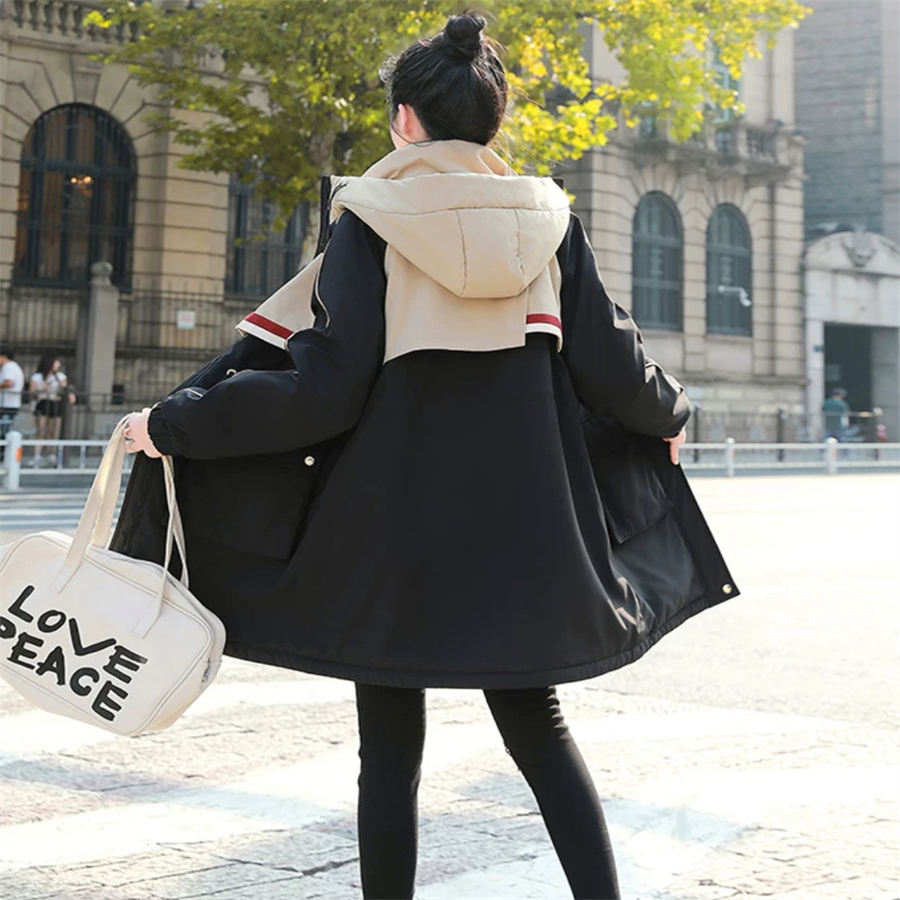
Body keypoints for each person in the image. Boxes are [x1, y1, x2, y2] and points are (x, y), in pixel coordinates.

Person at [120, 16, 729, 900]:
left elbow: (322, 389)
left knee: (389, 749)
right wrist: (672, 412)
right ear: (494, 119)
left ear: (404, 119)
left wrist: (175, 425)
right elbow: (612, 363)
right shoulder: (550, 222)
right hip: (528, 524)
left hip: (389, 523)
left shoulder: (368, 220)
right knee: (540, 730)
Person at [29, 353, 68, 467]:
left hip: (55, 402)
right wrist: (42, 388)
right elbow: (31, 392)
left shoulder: (60, 376)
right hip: (43, 401)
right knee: (41, 430)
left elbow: (65, 389)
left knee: (53, 431)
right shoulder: (37, 377)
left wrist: (61, 384)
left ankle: (52, 454)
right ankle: (37, 454)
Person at [0, 347, 25, 441]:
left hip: (6, 403)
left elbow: (9, 382)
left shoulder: (8, 367)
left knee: (3, 430)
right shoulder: (14, 366)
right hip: (12, 403)